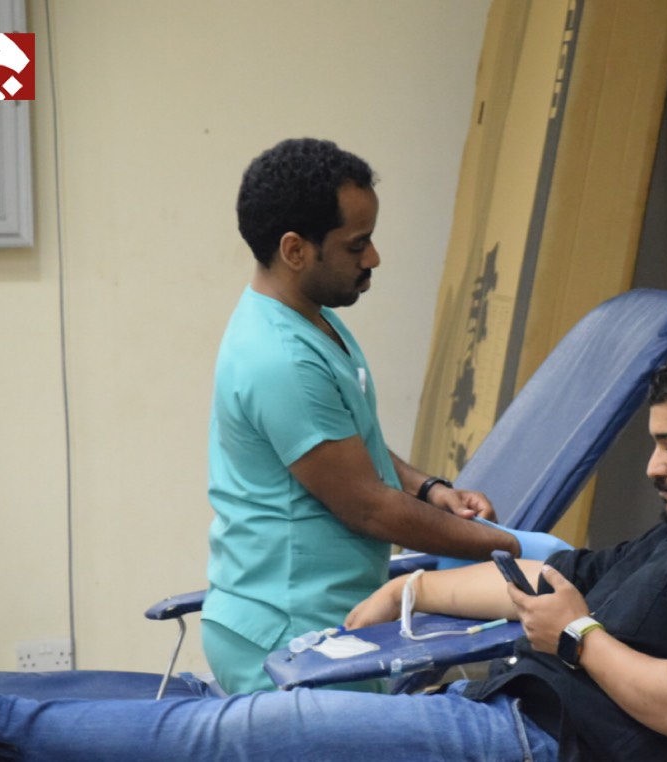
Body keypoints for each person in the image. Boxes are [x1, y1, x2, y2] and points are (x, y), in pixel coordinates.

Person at [0, 343, 667, 761]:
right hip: (502, 707)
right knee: (232, 718)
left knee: (240, 732)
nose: (653, 466)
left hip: (532, 743)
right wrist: (418, 596)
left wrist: (579, 637)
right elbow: (559, 577)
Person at [204, 137, 567, 693]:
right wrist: (510, 549)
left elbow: (349, 442)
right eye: (357, 244)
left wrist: (429, 489)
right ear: (295, 250)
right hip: (290, 632)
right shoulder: (280, 357)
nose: (373, 258)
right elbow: (368, 508)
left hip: (327, 617)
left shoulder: (313, 319)